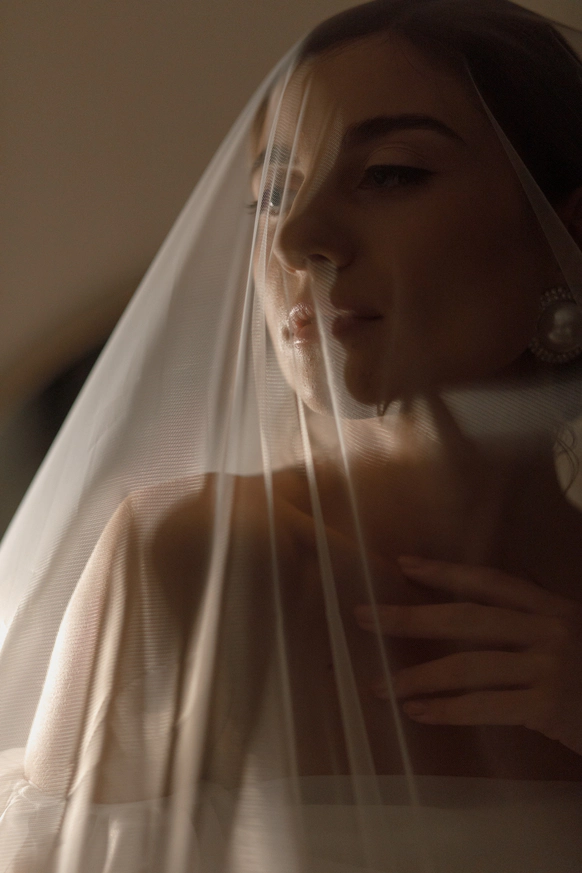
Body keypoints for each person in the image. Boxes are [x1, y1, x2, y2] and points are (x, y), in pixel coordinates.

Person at [1, 0, 582, 869]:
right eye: (273, 194)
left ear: (567, 231)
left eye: (389, 174)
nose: (297, 238)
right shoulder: (199, 561)